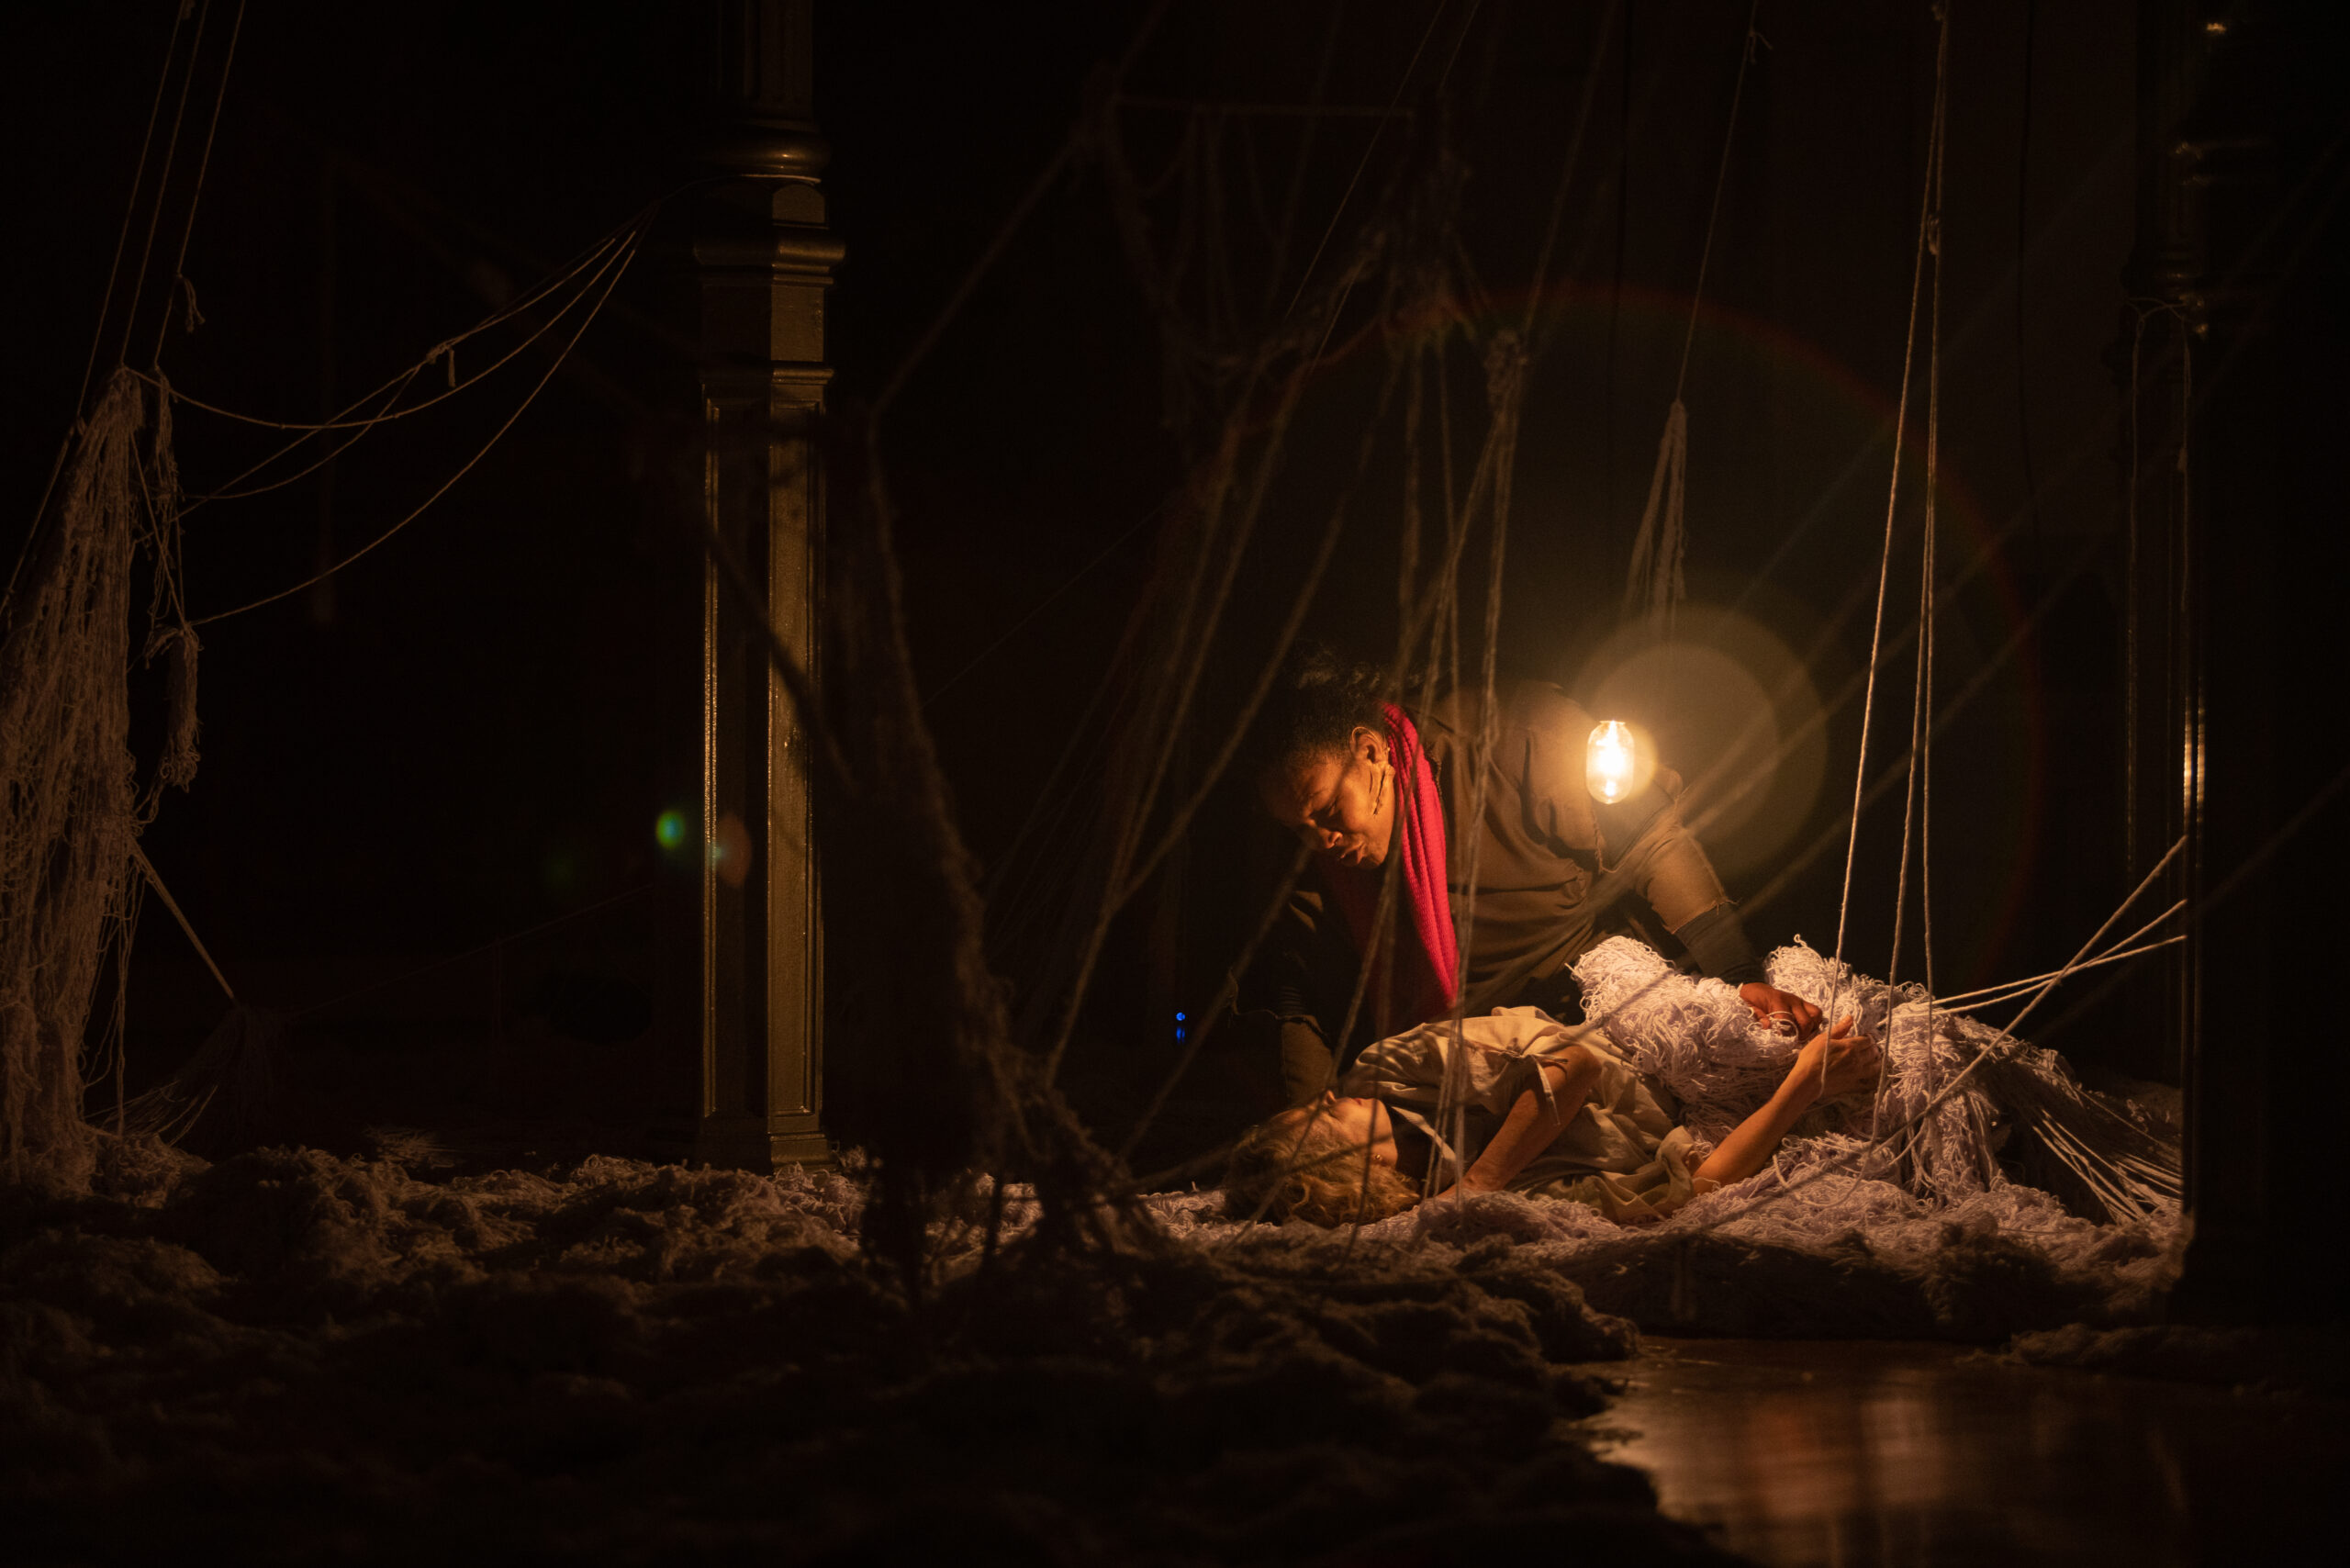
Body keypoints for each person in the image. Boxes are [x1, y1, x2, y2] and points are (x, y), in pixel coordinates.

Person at [1242, 647, 1819, 1104]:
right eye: (1299, 828)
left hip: (1576, 1007)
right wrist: (1306, 1117)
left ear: (1370, 753)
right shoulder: (1314, 858)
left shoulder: (1513, 739)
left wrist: (1740, 974)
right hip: (1439, 1057)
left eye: (1325, 812)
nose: (1319, 840)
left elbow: (1650, 841)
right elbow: (1299, 991)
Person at [1222, 1005, 1881, 1226]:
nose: (1329, 1098)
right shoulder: (1496, 1213)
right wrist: (1802, 1086)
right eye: (1322, 1122)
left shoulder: (1388, 1070)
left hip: (1658, 1036)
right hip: (1726, 1112)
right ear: (1357, 1175)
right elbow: (1702, 1185)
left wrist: (1480, 1181)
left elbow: (1575, 1062)